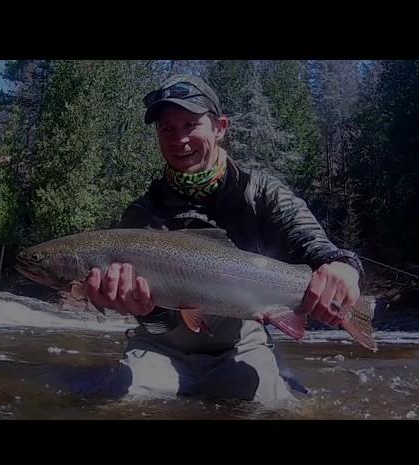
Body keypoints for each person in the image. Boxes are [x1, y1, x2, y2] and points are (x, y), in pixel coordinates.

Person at [83, 74, 365, 407]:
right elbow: (161, 326)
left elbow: (315, 247)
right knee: (117, 404)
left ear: (220, 128)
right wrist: (144, 312)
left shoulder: (262, 193)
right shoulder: (143, 213)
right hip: (161, 347)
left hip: (241, 346)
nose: (179, 139)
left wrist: (344, 269)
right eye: (167, 129)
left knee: (274, 410)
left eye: (190, 124)